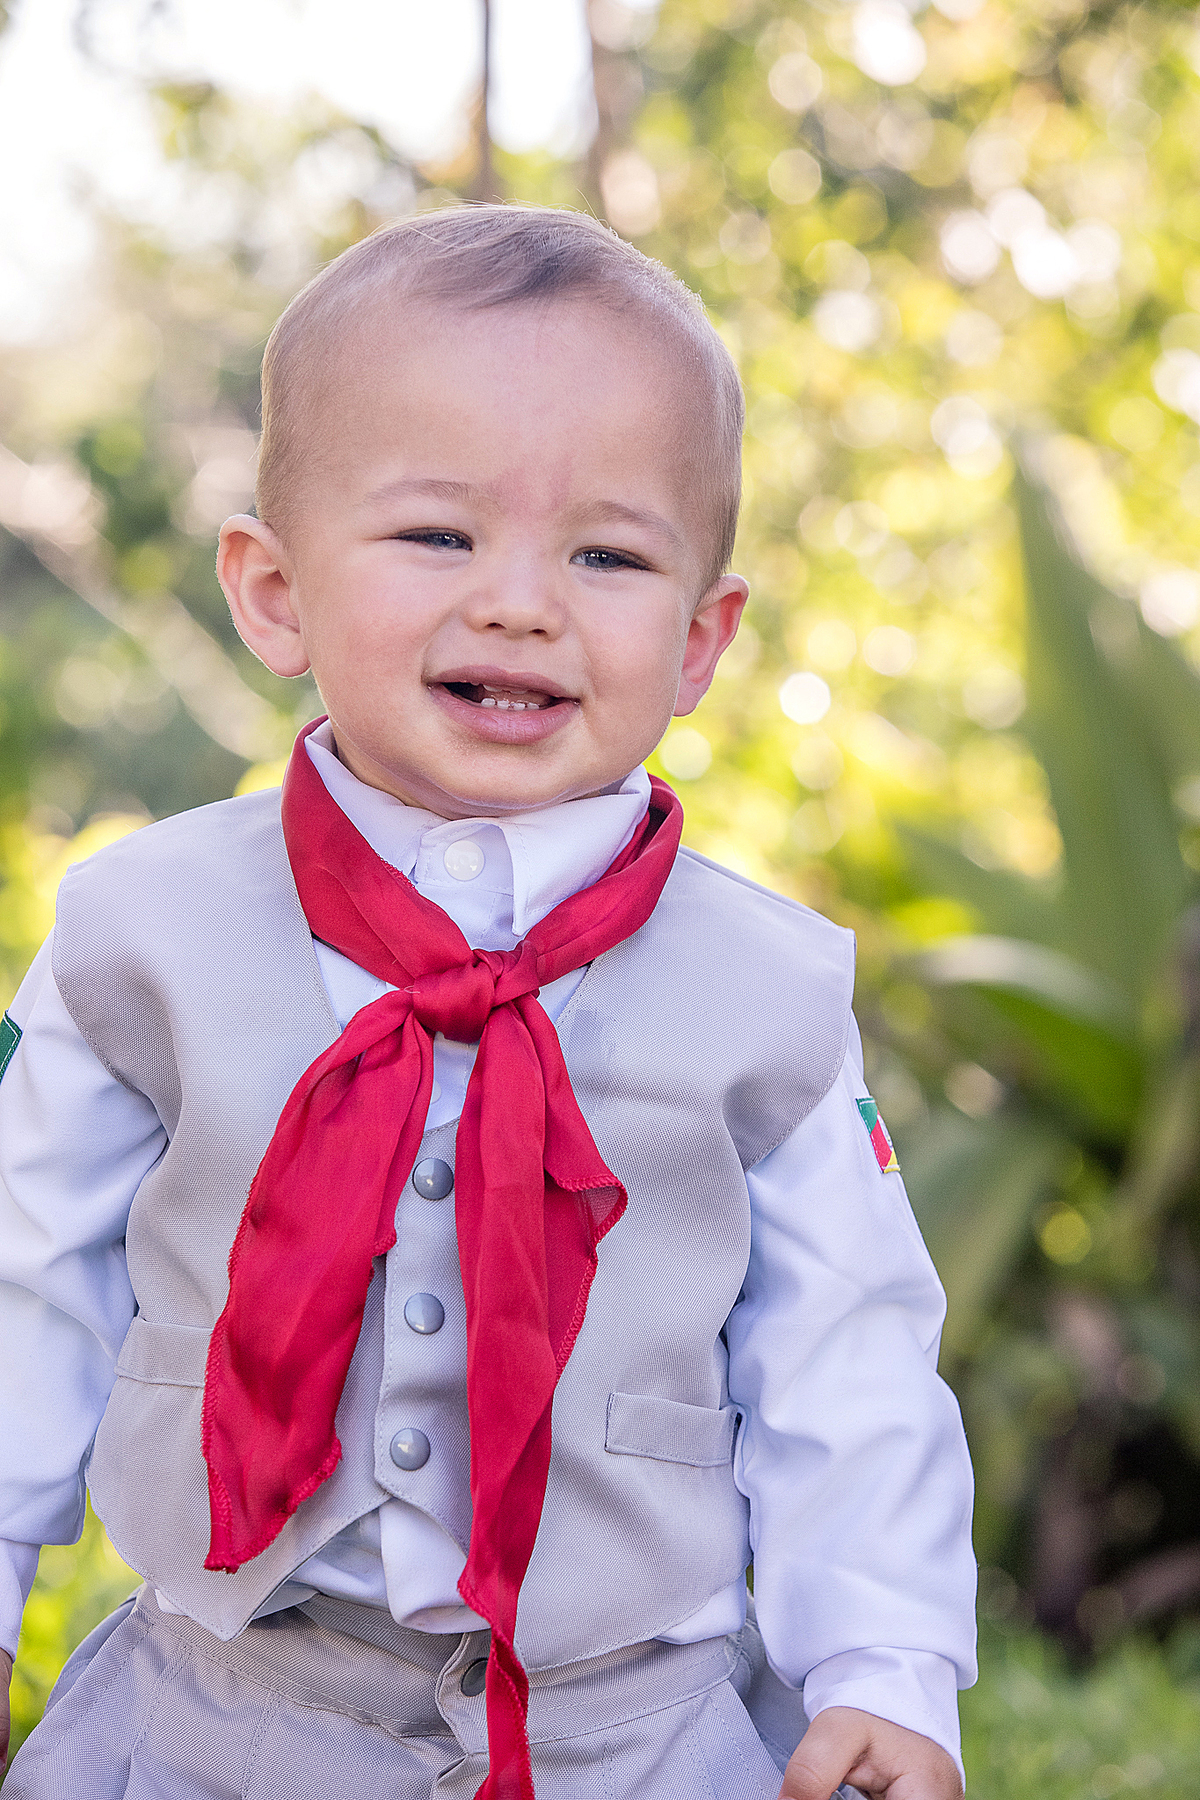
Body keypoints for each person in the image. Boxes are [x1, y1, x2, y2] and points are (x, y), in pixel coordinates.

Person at [0, 206, 975, 1800]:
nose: (522, 601)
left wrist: (886, 1670)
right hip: (227, 1707)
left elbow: (846, 1356)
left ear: (702, 639)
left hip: (629, 1723)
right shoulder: (139, 936)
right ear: (273, 590)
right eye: (439, 537)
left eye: (608, 554)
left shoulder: (770, 997)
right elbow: (20, 1287)